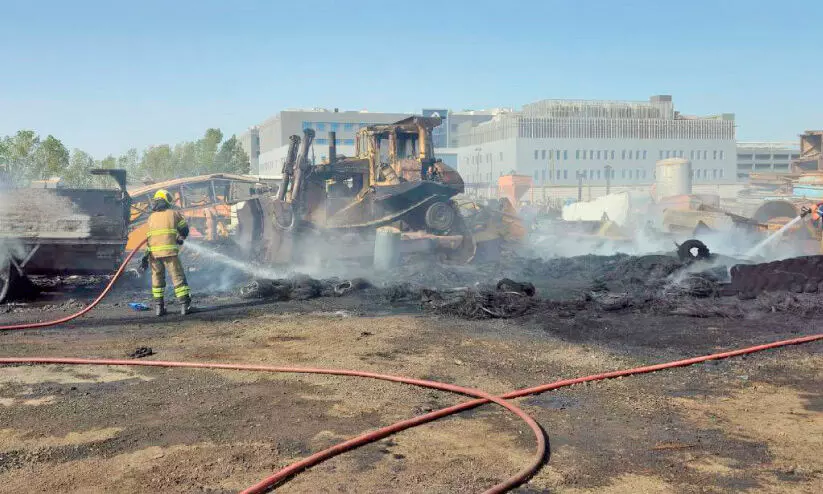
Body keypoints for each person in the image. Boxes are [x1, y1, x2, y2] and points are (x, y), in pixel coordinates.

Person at [142, 189, 191, 316]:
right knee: (178, 278)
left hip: (153, 255)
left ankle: (159, 308)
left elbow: (150, 238)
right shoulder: (174, 213)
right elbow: (184, 229)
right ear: (167, 200)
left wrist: (145, 256)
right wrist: (181, 238)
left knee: (157, 280)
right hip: (170, 253)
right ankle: (185, 307)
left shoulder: (151, 217)